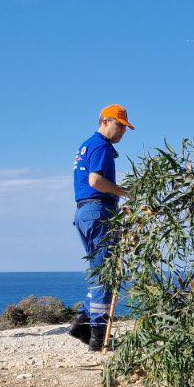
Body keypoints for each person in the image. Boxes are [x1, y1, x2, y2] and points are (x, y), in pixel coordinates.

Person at [70, 104, 133, 351]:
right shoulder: (101, 146)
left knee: (99, 272)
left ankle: (83, 324)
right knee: (106, 273)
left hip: (86, 212)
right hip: (98, 210)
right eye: (120, 126)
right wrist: (125, 193)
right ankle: (98, 336)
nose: (123, 133)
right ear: (106, 122)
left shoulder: (87, 144)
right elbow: (95, 180)